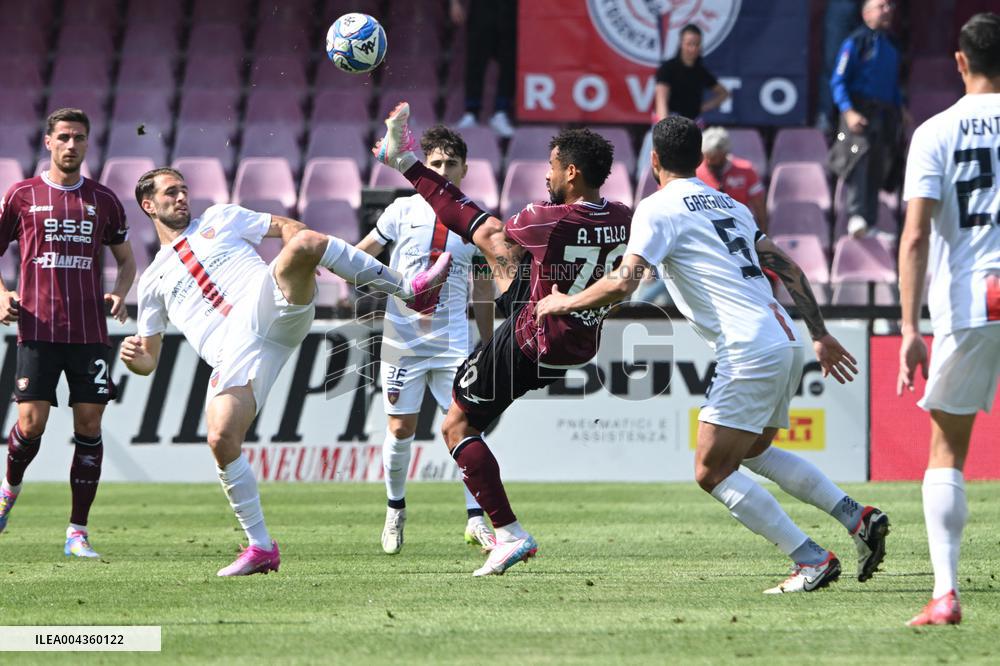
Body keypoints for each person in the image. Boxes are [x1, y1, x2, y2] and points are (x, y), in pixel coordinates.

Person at [536, 115, 891, 593]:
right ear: (700, 159)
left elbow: (624, 283)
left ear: (654, 160)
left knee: (710, 470)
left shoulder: (657, 207)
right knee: (754, 451)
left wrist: (564, 301)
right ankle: (857, 518)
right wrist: (820, 334)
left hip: (747, 346)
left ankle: (811, 559)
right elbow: (788, 267)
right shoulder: (732, 204)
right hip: (784, 336)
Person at [119, 167, 452, 576]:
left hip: (266, 304)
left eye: (184, 189)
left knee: (308, 242)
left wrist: (302, 253)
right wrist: (135, 358)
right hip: (232, 352)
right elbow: (148, 360)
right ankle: (261, 547)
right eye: (171, 192)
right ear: (149, 205)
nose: (182, 197)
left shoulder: (221, 217)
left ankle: (409, 289)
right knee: (221, 438)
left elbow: (285, 226)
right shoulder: (152, 280)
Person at [373, 102, 632, 576]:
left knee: (455, 426)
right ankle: (403, 159)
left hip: (534, 338)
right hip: (578, 342)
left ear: (571, 172)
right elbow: (627, 277)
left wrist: (413, 168)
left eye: (552, 166)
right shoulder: (622, 215)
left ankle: (507, 533)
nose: (546, 175)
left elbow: (479, 226)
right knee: (500, 250)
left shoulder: (548, 217)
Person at [897, 12, 1000, 626]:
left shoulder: (935, 131)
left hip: (972, 301)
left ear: (960, 62)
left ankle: (945, 594)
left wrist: (910, 328)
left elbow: (914, 236)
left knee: (947, 450)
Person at [0, 108, 136, 558]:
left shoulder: (104, 200)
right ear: (48, 142)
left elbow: (127, 260)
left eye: (78, 137)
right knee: (30, 424)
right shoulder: (21, 195)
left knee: (89, 424)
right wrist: (2, 295)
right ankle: (8, 491)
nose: (71, 144)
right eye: (63, 137)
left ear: (87, 143)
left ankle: (77, 531)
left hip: (89, 332)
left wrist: (119, 293)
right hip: (37, 329)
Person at [355, 125, 497, 554]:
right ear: (423, 166)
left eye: (451, 163)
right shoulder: (400, 210)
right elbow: (362, 256)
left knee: (466, 428)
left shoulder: (476, 221)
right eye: (435, 163)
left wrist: (488, 342)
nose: (443, 170)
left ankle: (476, 519)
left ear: (465, 169)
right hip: (403, 341)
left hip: (453, 343)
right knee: (401, 429)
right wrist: (336, 262)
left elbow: (483, 288)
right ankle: (395, 509)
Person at [829, 0, 905, 237]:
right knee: (859, 159)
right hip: (859, 111)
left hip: (884, 114)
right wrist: (848, 111)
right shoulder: (855, 42)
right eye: (881, 6)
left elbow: (893, 84)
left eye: (890, 6)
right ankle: (856, 215)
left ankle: (870, 223)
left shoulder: (892, 45)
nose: (888, 10)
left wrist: (901, 110)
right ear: (866, 13)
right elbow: (838, 81)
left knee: (878, 165)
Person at [451, 0, 517, 137]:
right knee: (475, 60)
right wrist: (454, 3)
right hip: (481, 8)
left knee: (509, 62)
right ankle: (471, 113)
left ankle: (501, 112)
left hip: (510, 8)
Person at [653, 24, 730, 124]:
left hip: (692, 123)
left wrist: (704, 107)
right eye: (689, 44)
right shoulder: (667, 68)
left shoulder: (701, 72)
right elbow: (661, 101)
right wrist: (665, 127)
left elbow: (724, 93)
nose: (693, 48)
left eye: (696, 44)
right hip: (670, 121)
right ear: (681, 44)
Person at [696, 126, 768, 231]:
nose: (709, 160)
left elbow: (759, 207)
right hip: (707, 230)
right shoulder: (696, 172)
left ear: (725, 152)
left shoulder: (746, 171)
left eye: (714, 157)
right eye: (707, 155)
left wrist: (763, 233)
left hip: (740, 228)